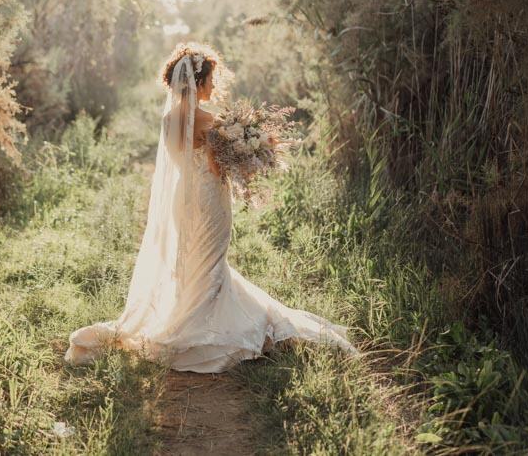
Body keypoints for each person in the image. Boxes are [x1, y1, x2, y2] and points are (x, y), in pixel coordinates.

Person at [65, 42, 357, 373]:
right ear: (199, 81)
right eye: (212, 79)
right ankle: (207, 330)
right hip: (208, 199)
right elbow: (219, 169)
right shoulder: (209, 120)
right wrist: (254, 154)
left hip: (181, 198)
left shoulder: (168, 121)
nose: (214, 86)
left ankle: (186, 317)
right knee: (212, 263)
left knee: (190, 261)